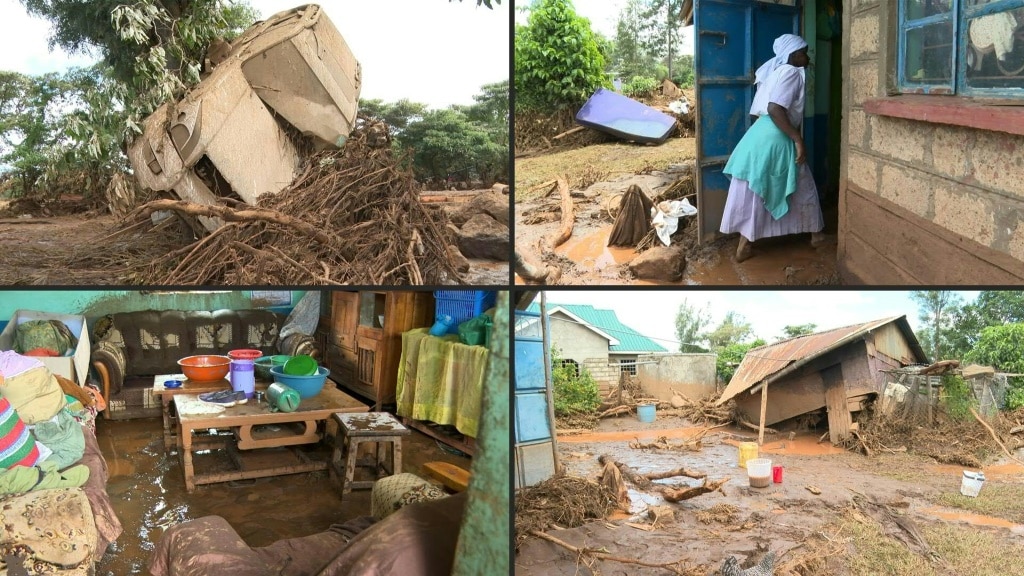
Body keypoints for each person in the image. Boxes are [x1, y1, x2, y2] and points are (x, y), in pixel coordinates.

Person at [720, 33, 825, 262]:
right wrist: (797, 139)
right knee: (802, 185)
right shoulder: (791, 72)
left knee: (756, 191)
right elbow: (776, 108)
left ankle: (744, 245)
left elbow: (758, 112)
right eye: (803, 52)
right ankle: (817, 236)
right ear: (792, 55)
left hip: (759, 134)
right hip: (776, 135)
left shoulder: (774, 72)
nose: (806, 57)